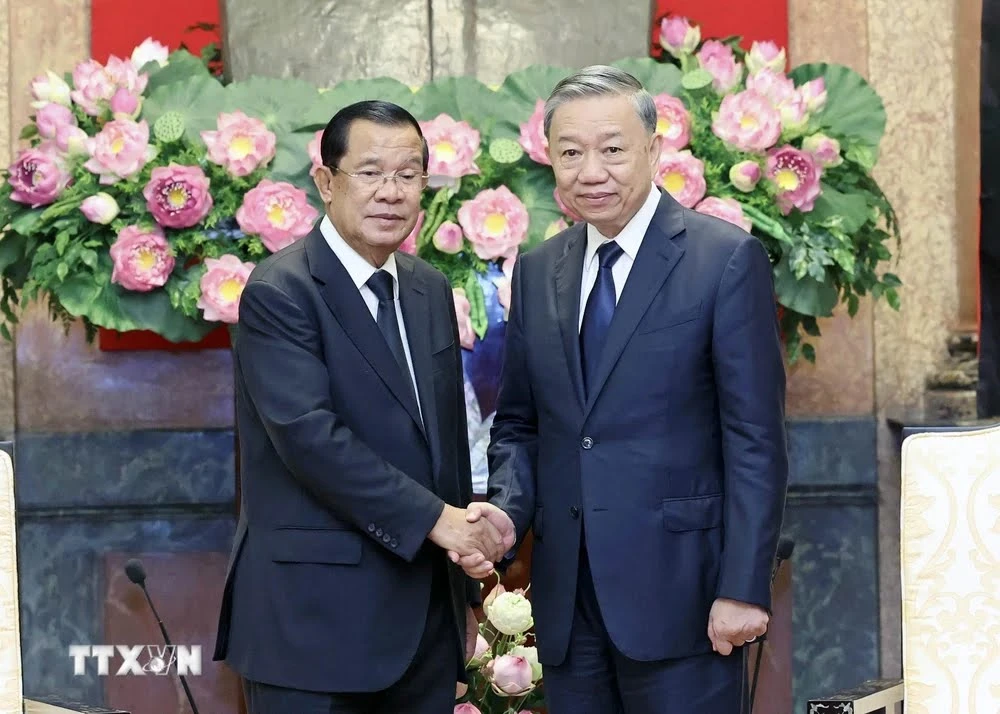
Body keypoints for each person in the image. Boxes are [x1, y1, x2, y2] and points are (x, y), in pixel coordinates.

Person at [457, 66, 789, 713]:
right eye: (571, 152)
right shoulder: (539, 270)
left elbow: (755, 439)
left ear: (654, 150)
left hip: (686, 601)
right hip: (568, 602)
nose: (591, 170)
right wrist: (505, 511)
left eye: (612, 149)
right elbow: (523, 423)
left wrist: (743, 587)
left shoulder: (721, 260)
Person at [213, 100, 514, 714]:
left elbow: (441, 441)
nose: (390, 192)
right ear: (326, 182)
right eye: (370, 173)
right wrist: (440, 520)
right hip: (313, 624)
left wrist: (466, 546)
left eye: (407, 174)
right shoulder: (282, 290)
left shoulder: (427, 288)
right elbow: (311, 439)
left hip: (422, 624)